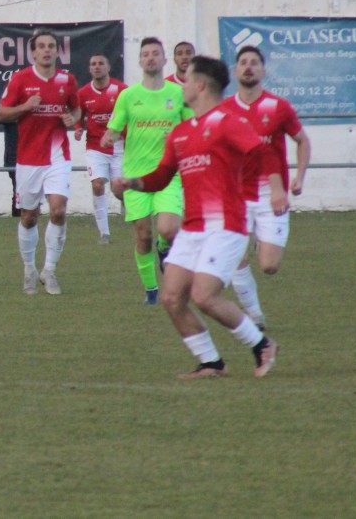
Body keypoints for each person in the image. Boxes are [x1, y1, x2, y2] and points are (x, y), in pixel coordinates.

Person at [112, 55, 281, 379]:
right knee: (172, 297)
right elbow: (162, 176)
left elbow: (263, 153)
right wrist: (132, 182)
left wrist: (274, 190)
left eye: (186, 79)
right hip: (192, 228)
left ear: (200, 85)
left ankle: (261, 345)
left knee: (204, 296)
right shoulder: (180, 133)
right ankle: (211, 363)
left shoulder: (227, 121)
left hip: (226, 225)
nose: (181, 84)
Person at [220, 45, 311, 330]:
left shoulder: (278, 107)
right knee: (235, 256)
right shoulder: (224, 110)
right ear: (236, 71)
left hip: (273, 195)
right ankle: (255, 315)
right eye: (243, 62)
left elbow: (303, 141)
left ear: (263, 70)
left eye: (254, 63)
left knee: (269, 266)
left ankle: (261, 238)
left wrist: (299, 177)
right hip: (236, 196)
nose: (248, 67)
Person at [103, 38, 191, 305]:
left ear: (165, 60)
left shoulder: (178, 94)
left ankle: (164, 251)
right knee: (143, 235)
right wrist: (109, 136)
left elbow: (191, 128)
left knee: (169, 230)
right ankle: (151, 290)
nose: (151, 58)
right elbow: (114, 127)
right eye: (145, 54)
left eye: (156, 54)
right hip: (135, 177)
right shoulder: (128, 96)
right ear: (140, 61)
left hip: (168, 174)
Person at [0, 28, 79, 295]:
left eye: (51, 46)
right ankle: (29, 269)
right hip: (29, 158)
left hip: (58, 155)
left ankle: (50, 270)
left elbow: (75, 109)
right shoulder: (21, 79)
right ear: (33, 52)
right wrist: (25, 107)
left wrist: (72, 118)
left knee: (58, 210)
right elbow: (1, 113)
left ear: (57, 50)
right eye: (41, 46)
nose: (46, 50)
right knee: (29, 217)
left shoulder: (67, 80)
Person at [73, 53, 126, 243]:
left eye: (101, 63)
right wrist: (78, 128)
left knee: (119, 189)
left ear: (108, 67)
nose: (97, 67)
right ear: (89, 69)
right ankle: (104, 233)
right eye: (93, 64)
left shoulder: (121, 90)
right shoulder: (84, 93)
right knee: (97, 184)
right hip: (95, 146)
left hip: (119, 146)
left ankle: (136, 213)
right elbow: (78, 114)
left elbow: (130, 114)